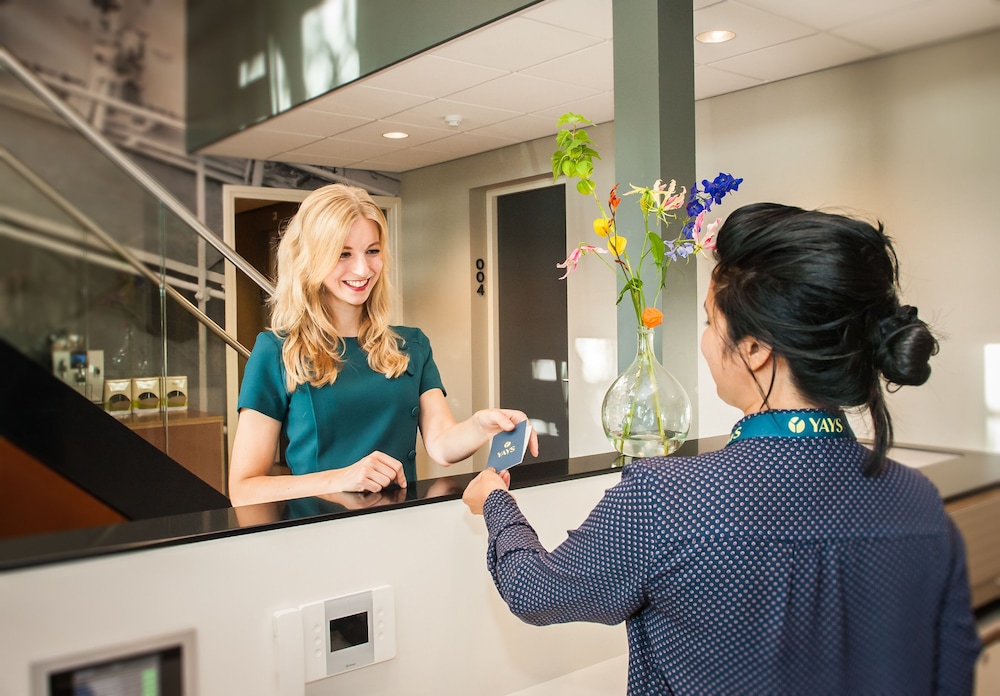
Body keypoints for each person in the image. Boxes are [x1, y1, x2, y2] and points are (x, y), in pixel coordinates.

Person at [463, 203, 982, 694]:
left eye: (711, 321)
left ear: (755, 349)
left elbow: (537, 591)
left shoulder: (670, 498)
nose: (707, 339)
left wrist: (495, 503)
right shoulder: (921, 505)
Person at [230, 183, 537, 507]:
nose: (362, 269)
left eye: (372, 251)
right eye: (343, 254)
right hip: (318, 539)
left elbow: (442, 445)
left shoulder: (412, 345)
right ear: (312, 258)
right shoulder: (276, 351)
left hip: (401, 530)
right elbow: (244, 488)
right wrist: (341, 478)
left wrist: (480, 425)